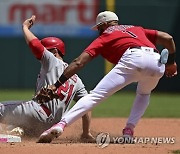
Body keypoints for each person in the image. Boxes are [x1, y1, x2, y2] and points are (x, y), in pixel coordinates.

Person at [38, 11, 177, 143]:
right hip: (157, 62)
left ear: (104, 25)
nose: (98, 31)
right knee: (144, 93)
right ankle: (129, 130)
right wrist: (171, 63)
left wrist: (56, 85)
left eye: (99, 28)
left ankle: (61, 125)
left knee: (95, 96)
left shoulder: (105, 36)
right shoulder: (137, 29)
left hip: (134, 58)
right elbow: (168, 38)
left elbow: (79, 62)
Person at [0, 15, 94, 142]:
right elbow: (86, 105)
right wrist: (86, 132)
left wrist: (25, 27)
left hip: (38, 111)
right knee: (17, 127)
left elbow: (35, 45)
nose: (44, 54)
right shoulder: (77, 79)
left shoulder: (52, 61)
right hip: (50, 127)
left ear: (55, 51)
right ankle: (16, 131)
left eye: (47, 50)